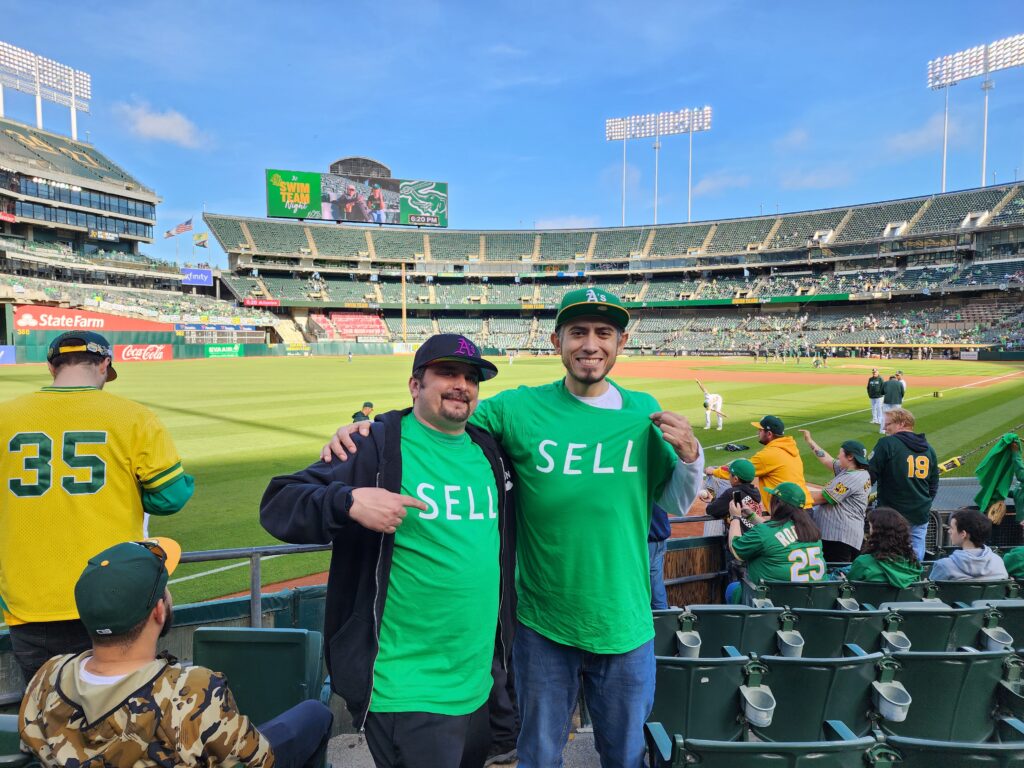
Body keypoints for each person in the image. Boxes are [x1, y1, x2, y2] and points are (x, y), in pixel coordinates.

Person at [321, 288, 704, 768]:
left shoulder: (641, 410)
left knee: (625, 754)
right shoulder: (517, 409)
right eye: (578, 333)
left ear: (620, 343)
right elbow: (440, 415)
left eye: (603, 333)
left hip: (625, 623)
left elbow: (675, 499)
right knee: (539, 754)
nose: (591, 344)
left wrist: (692, 456)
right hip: (542, 625)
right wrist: (367, 431)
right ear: (556, 341)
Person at [261, 333, 514, 768]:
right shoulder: (373, 447)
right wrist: (350, 501)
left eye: (472, 377)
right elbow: (280, 501)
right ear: (415, 385)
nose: (462, 385)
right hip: (409, 686)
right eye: (447, 373)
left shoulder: (487, 450)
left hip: (477, 683)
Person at [19, 538, 333, 768]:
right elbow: (258, 758)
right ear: (159, 610)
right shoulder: (193, 689)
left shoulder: (49, 675)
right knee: (314, 714)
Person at [0, 331, 194, 684]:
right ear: (104, 365)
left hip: (30, 598)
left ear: (50, 367)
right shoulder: (133, 417)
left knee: (48, 721)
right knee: (121, 719)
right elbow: (171, 497)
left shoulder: (5, 416)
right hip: (115, 593)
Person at [725, 482, 825, 604]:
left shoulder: (765, 533)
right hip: (810, 601)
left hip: (771, 601)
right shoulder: (812, 532)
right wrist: (752, 516)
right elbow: (775, 534)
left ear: (777, 504)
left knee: (732, 589)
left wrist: (735, 517)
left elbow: (735, 548)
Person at [869, 407, 938, 562]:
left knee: (886, 552)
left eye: (888, 424)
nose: (885, 428)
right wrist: (923, 503)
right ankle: (913, 583)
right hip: (920, 512)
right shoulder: (929, 449)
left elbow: (869, 475)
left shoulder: (887, 443)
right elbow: (933, 485)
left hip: (890, 514)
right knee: (916, 556)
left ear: (901, 424)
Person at [706, 415, 812, 511]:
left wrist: (714, 471)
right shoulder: (790, 447)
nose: (758, 433)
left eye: (760, 430)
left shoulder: (769, 454)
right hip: (803, 506)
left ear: (769, 434)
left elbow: (741, 471)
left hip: (789, 511)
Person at [799, 431, 872, 563]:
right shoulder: (854, 469)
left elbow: (822, 498)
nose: (838, 456)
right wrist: (810, 442)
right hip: (840, 536)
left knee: (837, 576)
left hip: (840, 539)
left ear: (850, 457)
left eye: (840, 453)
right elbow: (827, 459)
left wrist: (790, 495)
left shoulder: (852, 477)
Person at [847, 507, 924, 587]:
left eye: (870, 527)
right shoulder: (914, 565)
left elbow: (849, 587)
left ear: (877, 532)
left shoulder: (863, 562)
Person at [928, 509, 1009, 581]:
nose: (949, 531)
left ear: (963, 534)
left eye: (952, 528)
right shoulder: (998, 562)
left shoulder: (943, 566)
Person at [648, 504, 671, 610]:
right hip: (659, 538)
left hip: (645, 542)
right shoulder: (656, 486)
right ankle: (664, 624)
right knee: (657, 590)